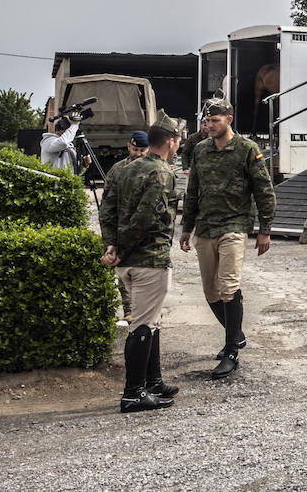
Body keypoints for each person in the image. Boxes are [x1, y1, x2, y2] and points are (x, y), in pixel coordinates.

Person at [178, 99, 276, 380]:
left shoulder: (247, 149)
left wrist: (264, 229)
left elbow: (264, 191)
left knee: (228, 286)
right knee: (211, 292)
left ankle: (231, 349)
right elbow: (193, 190)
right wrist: (186, 227)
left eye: (215, 121)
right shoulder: (200, 150)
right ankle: (237, 333)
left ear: (229, 120)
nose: (209, 126)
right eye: (207, 121)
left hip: (234, 226)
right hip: (205, 228)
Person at [99, 119, 181, 413]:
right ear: (171, 141)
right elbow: (146, 218)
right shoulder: (162, 172)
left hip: (130, 261)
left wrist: (111, 245)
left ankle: (152, 383)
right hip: (149, 259)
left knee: (151, 321)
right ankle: (133, 393)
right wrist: (121, 249)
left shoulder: (124, 169)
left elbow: (106, 209)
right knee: (143, 325)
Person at [101, 130, 151, 324]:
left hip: (146, 233)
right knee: (124, 272)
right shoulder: (117, 170)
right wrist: (109, 241)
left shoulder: (154, 169)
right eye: (135, 149)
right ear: (128, 147)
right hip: (123, 231)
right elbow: (107, 207)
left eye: (142, 150)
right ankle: (129, 310)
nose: (138, 153)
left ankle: (145, 314)